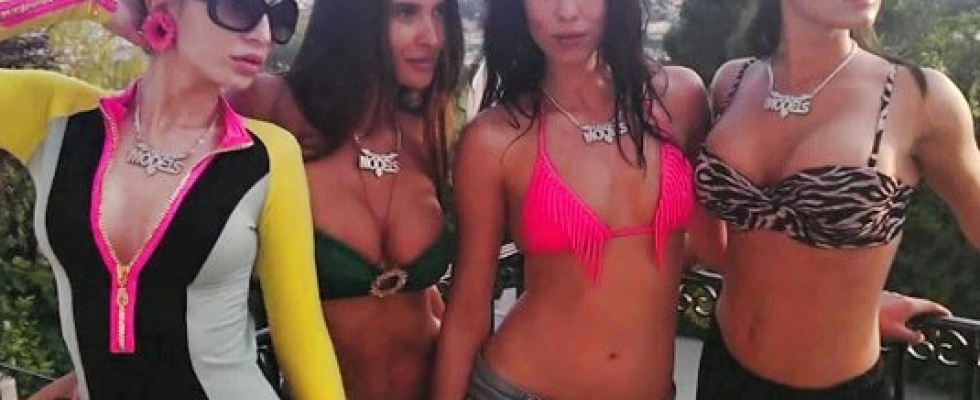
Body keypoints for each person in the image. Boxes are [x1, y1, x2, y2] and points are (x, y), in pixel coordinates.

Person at [0, 0, 346, 398]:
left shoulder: (267, 155)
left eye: (280, 18)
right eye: (241, 7)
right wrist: (91, 6)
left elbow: (303, 338)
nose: (263, 35)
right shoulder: (58, 117)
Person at [691, 0, 977, 398]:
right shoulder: (732, 82)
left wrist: (850, 309)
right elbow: (717, 246)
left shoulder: (919, 97)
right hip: (724, 369)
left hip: (839, 389)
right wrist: (853, 304)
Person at [433, 0, 710, 398]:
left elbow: (712, 243)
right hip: (522, 388)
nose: (566, 13)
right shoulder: (495, 140)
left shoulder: (681, 100)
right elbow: (468, 309)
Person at [226, 0, 463, 398]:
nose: (433, 37)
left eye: (439, 14)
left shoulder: (424, 128)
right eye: (405, 13)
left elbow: (421, 297)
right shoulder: (267, 105)